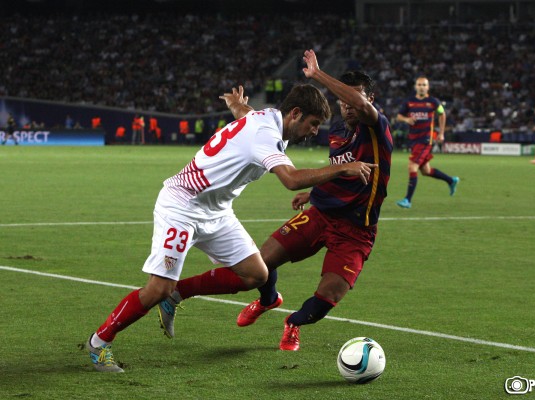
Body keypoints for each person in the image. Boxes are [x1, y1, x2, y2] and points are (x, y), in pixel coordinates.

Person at [85, 83, 377, 372]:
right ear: (295, 114)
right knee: (158, 288)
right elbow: (291, 180)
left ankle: (177, 296)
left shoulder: (265, 119)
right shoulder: (265, 133)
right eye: (313, 124)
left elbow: (245, 114)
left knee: (256, 273)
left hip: (216, 211)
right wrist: (342, 168)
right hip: (182, 206)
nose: (315, 131)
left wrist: (237, 105)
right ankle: (99, 343)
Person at [158, 49, 392, 352]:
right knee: (259, 264)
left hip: (357, 231)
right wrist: (313, 194)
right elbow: (269, 134)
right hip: (322, 214)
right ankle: (261, 299)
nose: (348, 106)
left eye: (354, 99)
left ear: (369, 100)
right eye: (343, 100)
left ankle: (293, 323)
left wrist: (317, 75)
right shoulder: (337, 131)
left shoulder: (377, 127)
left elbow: (357, 108)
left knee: (328, 296)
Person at [396, 76, 459, 209]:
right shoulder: (409, 102)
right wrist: (406, 120)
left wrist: (441, 133)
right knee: (426, 170)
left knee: (412, 167)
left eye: (424, 85)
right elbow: (399, 116)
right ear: (415, 87)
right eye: (419, 85)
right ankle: (451, 180)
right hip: (413, 140)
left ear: (428, 87)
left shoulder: (433, 102)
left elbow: (442, 114)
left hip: (425, 141)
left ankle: (407, 200)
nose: (422, 87)